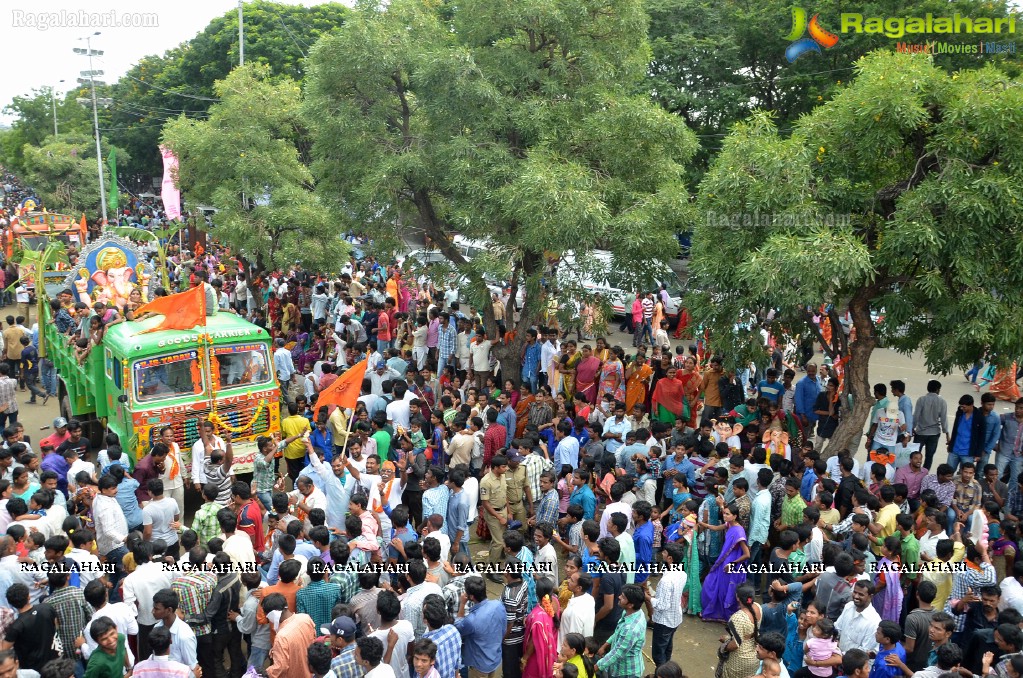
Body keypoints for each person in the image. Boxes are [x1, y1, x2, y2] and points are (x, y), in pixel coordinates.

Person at [700, 504, 751, 622]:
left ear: (735, 516)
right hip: (723, 562)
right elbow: (717, 528)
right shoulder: (729, 524)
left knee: (724, 590)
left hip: (731, 566)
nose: (724, 516)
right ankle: (716, 613)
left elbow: (747, 554)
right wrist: (704, 525)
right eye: (724, 513)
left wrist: (732, 564)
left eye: (727, 514)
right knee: (711, 583)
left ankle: (724, 616)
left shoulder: (739, 532)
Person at [645, 541, 687, 666]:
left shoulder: (666, 581)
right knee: (667, 647)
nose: (661, 553)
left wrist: (647, 597)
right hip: (675, 617)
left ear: (670, 558)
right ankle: (667, 668)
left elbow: (662, 606)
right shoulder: (682, 573)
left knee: (658, 654)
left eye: (664, 552)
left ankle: (663, 672)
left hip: (664, 621)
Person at [453, 576, 504, 677]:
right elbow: (503, 629)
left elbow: (457, 627)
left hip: (479, 666)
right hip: (495, 658)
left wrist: (462, 604)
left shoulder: (471, 620)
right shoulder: (498, 605)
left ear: (471, 597)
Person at [594, 584, 647, 678]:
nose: (619, 597)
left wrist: (595, 667)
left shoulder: (631, 629)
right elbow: (618, 632)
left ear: (631, 605)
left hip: (627, 672)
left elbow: (617, 653)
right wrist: (605, 645)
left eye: (623, 597)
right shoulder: (632, 612)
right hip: (619, 667)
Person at [262, 592, 316, 678]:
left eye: (267, 615)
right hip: (310, 673)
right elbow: (312, 639)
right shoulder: (305, 618)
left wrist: (267, 673)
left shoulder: (281, 637)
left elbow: (281, 667)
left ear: (273, 614)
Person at [714, 583, 762, 678]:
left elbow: (735, 645)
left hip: (739, 660)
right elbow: (746, 634)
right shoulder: (758, 607)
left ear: (737, 597)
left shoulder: (737, 617)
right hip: (754, 655)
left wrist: (724, 646)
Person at [521, 578, 560, 678]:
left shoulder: (538, 617)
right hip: (549, 649)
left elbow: (534, 641)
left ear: (536, 591)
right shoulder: (555, 602)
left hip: (537, 654)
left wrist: (524, 659)